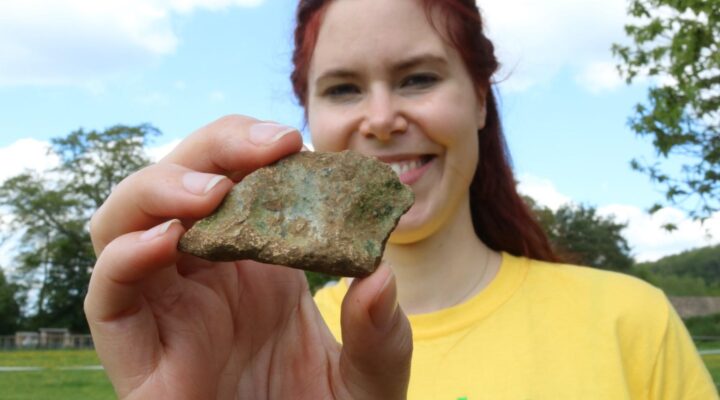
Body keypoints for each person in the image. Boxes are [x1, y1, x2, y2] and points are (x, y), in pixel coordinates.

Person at [85, 0, 717, 398]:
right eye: (343, 88)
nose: (382, 119)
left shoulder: (631, 322)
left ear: (478, 98)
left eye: (418, 77)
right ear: (305, 114)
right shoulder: (251, 342)